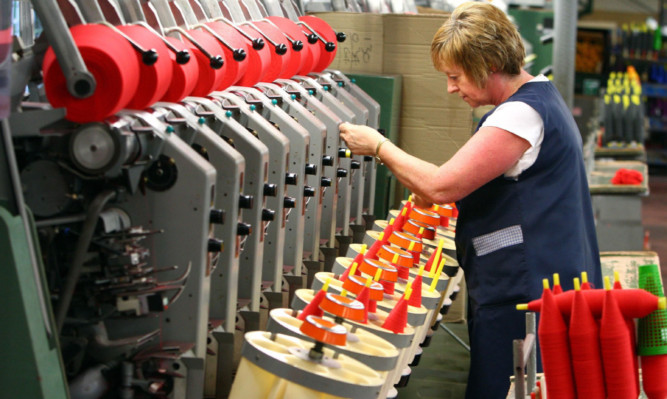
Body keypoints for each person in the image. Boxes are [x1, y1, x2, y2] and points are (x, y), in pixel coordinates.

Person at [339, 2, 602, 398]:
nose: (450, 88)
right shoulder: (539, 98)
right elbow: (469, 184)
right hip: (541, 276)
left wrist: (379, 146)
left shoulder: (519, 117)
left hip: (524, 289)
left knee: (505, 386)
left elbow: (443, 186)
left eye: (455, 76)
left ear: (487, 65)